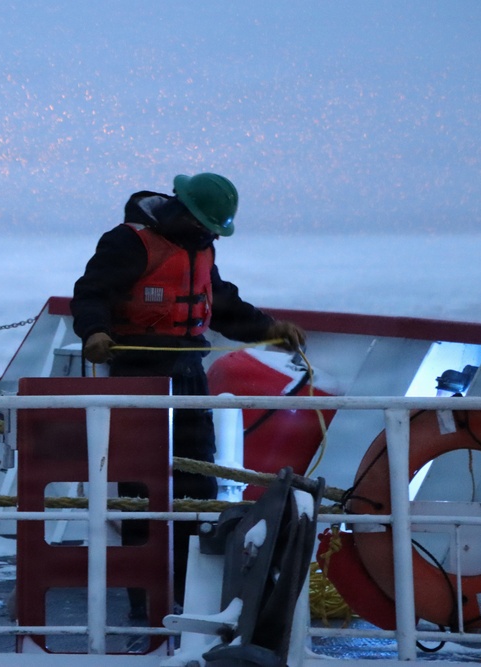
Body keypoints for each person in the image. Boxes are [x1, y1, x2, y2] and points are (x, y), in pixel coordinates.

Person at [69, 171, 305, 615]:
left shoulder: (200, 248)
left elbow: (222, 303)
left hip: (189, 375)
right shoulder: (128, 243)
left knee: (198, 484)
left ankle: (188, 594)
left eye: (215, 229)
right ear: (185, 211)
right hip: (139, 377)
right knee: (143, 491)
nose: (210, 234)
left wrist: (269, 329)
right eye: (207, 225)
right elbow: (91, 294)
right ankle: (147, 602)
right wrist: (95, 332)